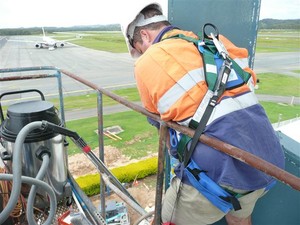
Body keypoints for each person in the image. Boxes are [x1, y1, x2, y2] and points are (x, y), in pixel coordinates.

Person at [121, 2, 285, 225]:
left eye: (139, 48)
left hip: (219, 173)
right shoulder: (216, 43)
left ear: (144, 35)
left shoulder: (147, 62)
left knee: (165, 220)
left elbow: (159, 123)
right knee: (240, 214)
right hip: (268, 161)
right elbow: (249, 81)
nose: (141, 54)